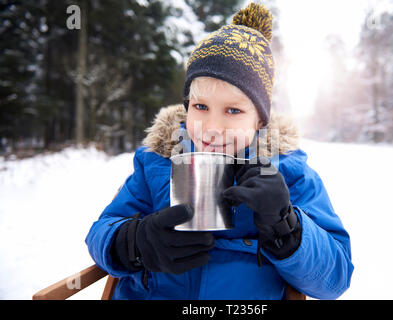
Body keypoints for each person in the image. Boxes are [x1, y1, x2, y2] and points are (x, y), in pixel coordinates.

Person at [85, 2, 353, 300]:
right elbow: (100, 233)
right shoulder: (156, 164)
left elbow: (335, 279)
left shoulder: (290, 175)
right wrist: (134, 242)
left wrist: (285, 225)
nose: (212, 127)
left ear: (260, 120)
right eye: (201, 107)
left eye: (233, 110)